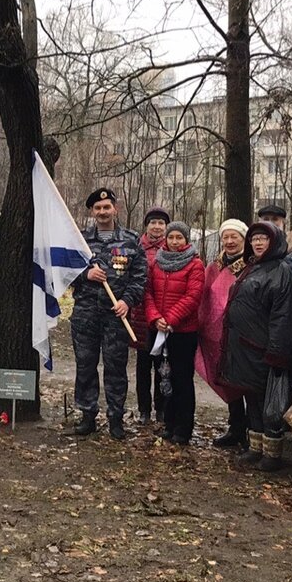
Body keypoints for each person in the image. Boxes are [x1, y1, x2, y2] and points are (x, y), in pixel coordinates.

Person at [220, 221, 292, 471]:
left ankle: (272, 452)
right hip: (245, 347)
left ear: (274, 242)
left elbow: (283, 316)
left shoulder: (281, 271)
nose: (258, 243)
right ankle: (255, 447)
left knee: (269, 401)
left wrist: (277, 352)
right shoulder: (252, 266)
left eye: (263, 239)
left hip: (264, 349)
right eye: (254, 239)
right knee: (251, 397)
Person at [70, 188, 147, 440]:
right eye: (98, 208)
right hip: (85, 315)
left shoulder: (131, 240)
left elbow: (139, 277)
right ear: (92, 212)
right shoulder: (80, 240)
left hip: (116, 316)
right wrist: (86, 274)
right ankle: (87, 415)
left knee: (115, 368)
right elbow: (65, 272)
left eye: (107, 207)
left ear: (116, 209)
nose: (102, 212)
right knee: (85, 366)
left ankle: (116, 418)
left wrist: (127, 301)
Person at [143, 221, 205, 445]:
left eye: (179, 237)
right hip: (158, 330)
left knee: (182, 379)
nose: (175, 241)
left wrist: (170, 319)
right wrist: (155, 317)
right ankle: (168, 424)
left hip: (182, 332)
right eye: (171, 237)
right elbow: (147, 293)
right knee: (163, 377)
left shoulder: (195, 264)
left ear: (186, 240)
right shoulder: (157, 262)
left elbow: (193, 296)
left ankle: (183, 428)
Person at [194, 219, 250, 449]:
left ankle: (252, 430)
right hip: (216, 335)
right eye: (225, 237)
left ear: (244, 239)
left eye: (234, 237)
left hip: (244, 333)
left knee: (247, 382)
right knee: (227, 379)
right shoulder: (214, 266)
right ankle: (236, 426)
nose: (229, 241)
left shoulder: (251, 265)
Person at [135, 206, 170, 425]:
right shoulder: (136, 246)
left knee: (162, 365)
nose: (157, 227)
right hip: (140, 315)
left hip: (163, 317)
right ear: (146, 225)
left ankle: (161, 409)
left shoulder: (171, 247)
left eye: (161, 223)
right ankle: (143, 409)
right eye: (153, 222)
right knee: (142, 366)